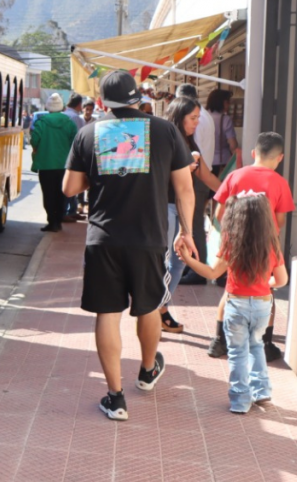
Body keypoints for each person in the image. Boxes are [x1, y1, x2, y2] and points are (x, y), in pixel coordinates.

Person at [63, 71, 196, 421]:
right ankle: (148, 371)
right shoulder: (166, 130)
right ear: (137, 98)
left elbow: (69, 188)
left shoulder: (88, 133)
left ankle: (115, 397)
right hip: (149, 237)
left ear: (104, 102)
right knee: (149, 305)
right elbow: (184, 188)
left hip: (103, 238)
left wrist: (101, 170)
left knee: (108, 313)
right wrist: (187, 232)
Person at [177, 194, 288, 413]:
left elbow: (211, 272)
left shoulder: (232, 243)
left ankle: (240, 400)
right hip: (263, 305)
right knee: (256, 344)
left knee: (237, 352)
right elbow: (282, 280)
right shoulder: (272, 245)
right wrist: (266, 283)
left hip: (236, 304)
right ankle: (262, 390)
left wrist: (188, 260)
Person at [207, 132, 295, 362]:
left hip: (235, 242)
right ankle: (265, 344)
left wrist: (227, 236)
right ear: (280, 158)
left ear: (254, 153)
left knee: (230, 289)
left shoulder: (235, 176)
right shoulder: (280, 183)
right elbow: (281, 220)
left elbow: (219, 212)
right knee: (268, 292)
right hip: (265, 246)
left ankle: (219, 341)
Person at [158, 98, 223, 333]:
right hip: (164, 209)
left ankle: (159, 308)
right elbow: (159, 176)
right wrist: (186, 167)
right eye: (193, 118)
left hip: (181, 211)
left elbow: (206, 176)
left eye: (198, 117)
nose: (197, 122)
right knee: (164, 263)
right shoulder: (165, 139)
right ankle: (156, 313)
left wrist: (232, 192)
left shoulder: (189, 141)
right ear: (179, 116)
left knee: (177, 262)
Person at [31, 93, 77, 232]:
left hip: (45, 165)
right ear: (61, 107)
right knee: (61, 194)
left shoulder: (41, 122)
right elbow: (74, 143)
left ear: (48, 107)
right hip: (64, 166)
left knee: (49, 194)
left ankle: (52, 222)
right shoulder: (69, 123)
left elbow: (34, 141)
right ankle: (59, 220)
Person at [177, 84, 215, 172]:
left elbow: (196, 148)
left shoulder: (196, 117)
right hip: (204, 168)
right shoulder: (205, 114)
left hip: (198, 171)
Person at [61, 94, 86, 222]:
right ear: (79, 104)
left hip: (61, 155)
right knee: (72, 186)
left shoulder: (63, 115)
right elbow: (81, 139)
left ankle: (71, 210)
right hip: (72, 155)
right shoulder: (76, 118)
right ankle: (67, 211)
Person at [207, 89, 240, 177]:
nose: (229, 104)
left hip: (204, 162)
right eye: (228, 101)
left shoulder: (202, 117)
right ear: (221, 102)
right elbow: (233, 145)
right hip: (221, 162)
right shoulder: (225, 119)